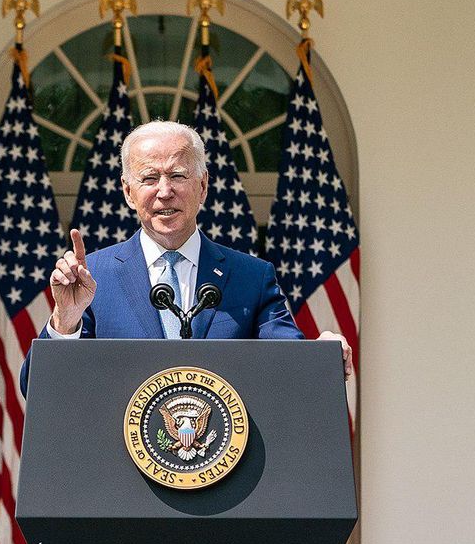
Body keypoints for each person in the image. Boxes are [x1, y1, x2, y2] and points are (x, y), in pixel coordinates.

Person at [20, 120, 351, 390]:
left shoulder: (251, 277)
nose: (165, 192)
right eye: (149, 178)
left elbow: (289, 362)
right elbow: (35, 387)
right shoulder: (95, 278)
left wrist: (321, 354)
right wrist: (65, 321)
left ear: (203, 186)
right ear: (128, 192)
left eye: (178, 175)